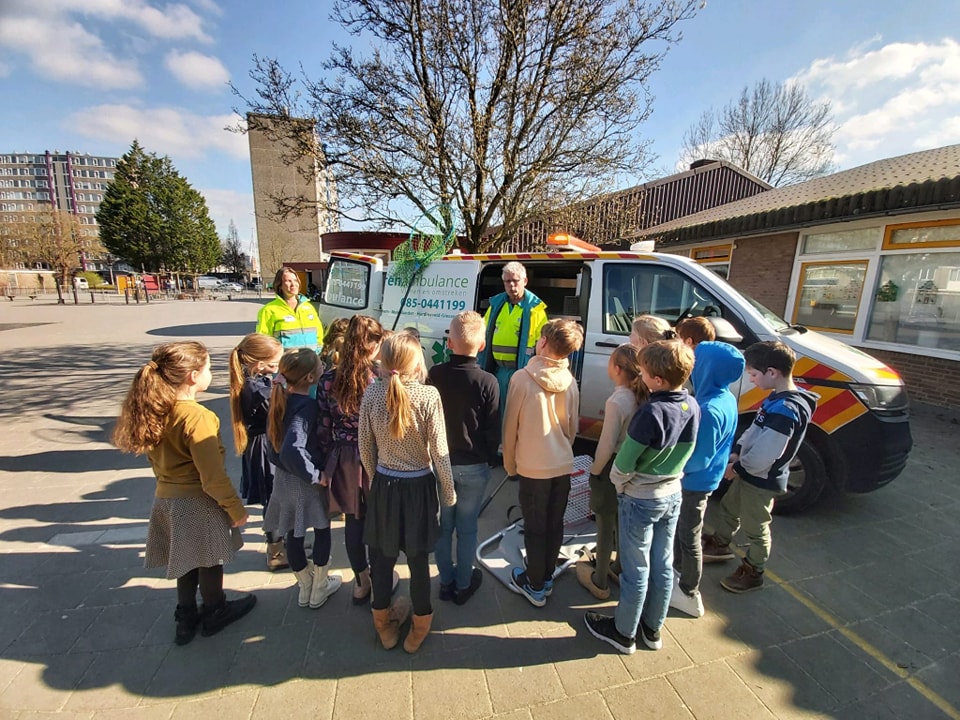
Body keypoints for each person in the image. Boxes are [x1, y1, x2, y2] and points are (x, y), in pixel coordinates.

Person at [113, 341, 256, 646]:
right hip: (198, 501)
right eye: (207, 368)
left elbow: (155, 461)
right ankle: (215, 609)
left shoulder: (156, 409)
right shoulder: (197, 417)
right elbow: (212, 476)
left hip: (166, 498)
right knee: (209, 558)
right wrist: (234, 508)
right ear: (193, 376)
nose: (210, 374)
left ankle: (186, 615)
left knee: (185, 558)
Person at [584, 340, 699, 655]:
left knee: (636, 570)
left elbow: (624, 462)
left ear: (657, 379)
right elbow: (689, 449)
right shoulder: (691, 405)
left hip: (642, 497)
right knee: (662, 564)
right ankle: (652, 629)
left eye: (645, 371)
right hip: (673, 492)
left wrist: (619, 485)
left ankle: (623, 632)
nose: (641, 375)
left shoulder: (651, 412)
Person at [359, 332, 456, 653]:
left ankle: (383, 628)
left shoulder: (372, 394)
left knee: (382, 562)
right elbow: (440, 450)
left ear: (383, 362)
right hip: (419, 489)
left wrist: (376, 478)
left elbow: (364, 447)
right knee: (418, 563)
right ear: (417, 363)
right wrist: (449, 491)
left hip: (385, 487)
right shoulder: (429, 396)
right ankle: (419, 628)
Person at [702, 341, 817, 593]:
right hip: (749, 470)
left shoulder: (786, 410)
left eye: (754, 374)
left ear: (772, 372)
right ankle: (720, 542)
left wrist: (739, 468)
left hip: (761, 480)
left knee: (756, 527)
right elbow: (755, 431)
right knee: (730, 507)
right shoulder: (776, 399)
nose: (752, 380)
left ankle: (754, 570)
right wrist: (738, 452)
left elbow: (768, 452)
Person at [504, 319, 583, 607]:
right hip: (561, 464)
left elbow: (510, 427)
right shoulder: (571, 382)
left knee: (535, 527)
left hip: (531, 466)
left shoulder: (521, 379)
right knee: (555, 522)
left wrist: (510, 465)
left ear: (544, 343)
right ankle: (547, 574)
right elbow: (572, 428)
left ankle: (535, 584)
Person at [427, 311, 501, 605]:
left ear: (449, 343)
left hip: (440, 463)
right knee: (467, 526)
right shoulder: (488, 381)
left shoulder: (435, 375)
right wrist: (489, 457)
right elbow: (493, 428)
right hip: (474, 465)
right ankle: (463, 583)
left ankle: (445, 581)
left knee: (444, 525)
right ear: (482, 346)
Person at [669, 341, 744, 618]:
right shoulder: (725, 398)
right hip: (706, 479)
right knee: (683, 531)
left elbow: (700, 456)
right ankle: (678, 574)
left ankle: (689, 591)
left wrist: (675, 470)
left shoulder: (709, 409)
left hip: (695, 482)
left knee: (689, 536)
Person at [264, 348, 343, 609]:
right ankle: (319, 587)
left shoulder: (278, 400)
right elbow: (292, 447)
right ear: (310, 377)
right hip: (304, 481)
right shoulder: (307, 407)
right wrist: (314, 474)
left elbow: (275, 447)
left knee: (293, 534)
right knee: (321, 530)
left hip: (284, 480)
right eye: (321, 366)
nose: (324, 368)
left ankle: (304, 586)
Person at [316, 315, 385, 604]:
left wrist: (326, 462)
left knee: (353, 523)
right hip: (377, 456)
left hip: (343, 457)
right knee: (379, 522)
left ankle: (361, 580)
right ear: (373, 345)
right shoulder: (380, 377)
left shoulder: (328, 378)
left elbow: (322, 425)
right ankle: (380, 582)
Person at [576, 343, 648, 600]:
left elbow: (606, 445)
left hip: (611, 467)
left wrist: (594, 472)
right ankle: (618, 566)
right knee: (620, 521)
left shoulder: (617, 400)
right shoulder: (642, 395)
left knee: (604, 523)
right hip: (633, 468)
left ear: (617, 369)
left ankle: (600, 578)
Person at [228, 333, 286, 571]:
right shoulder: (257, 387)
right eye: (274, 364)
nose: (277, 368)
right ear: (260, 364)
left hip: (264, 443)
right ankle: (276, 551)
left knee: (276, 498)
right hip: (264, 446)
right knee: (272, 500)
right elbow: (277, 412)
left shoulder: (255, 381)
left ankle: (281, 544)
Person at [481, 261, 549, 419]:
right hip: (497, 370)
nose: (511, 285)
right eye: (507, 281)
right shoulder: (496, 305)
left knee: (516, 415)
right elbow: (482, 332)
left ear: (524, 281)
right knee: (496, 413)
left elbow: (543, 345)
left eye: (515, 281)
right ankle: (499, 443)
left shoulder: (536, 309)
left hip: (522, 371)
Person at [255, 267, 324, 353]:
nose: (293, 284)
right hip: (286, 363)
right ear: (279, 285)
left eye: (295, 280)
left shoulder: (309, 307)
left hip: (310, 361)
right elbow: (263, 340)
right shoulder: (268, 310)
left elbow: (319, 333)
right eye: (288, 281)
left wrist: (318, 350)